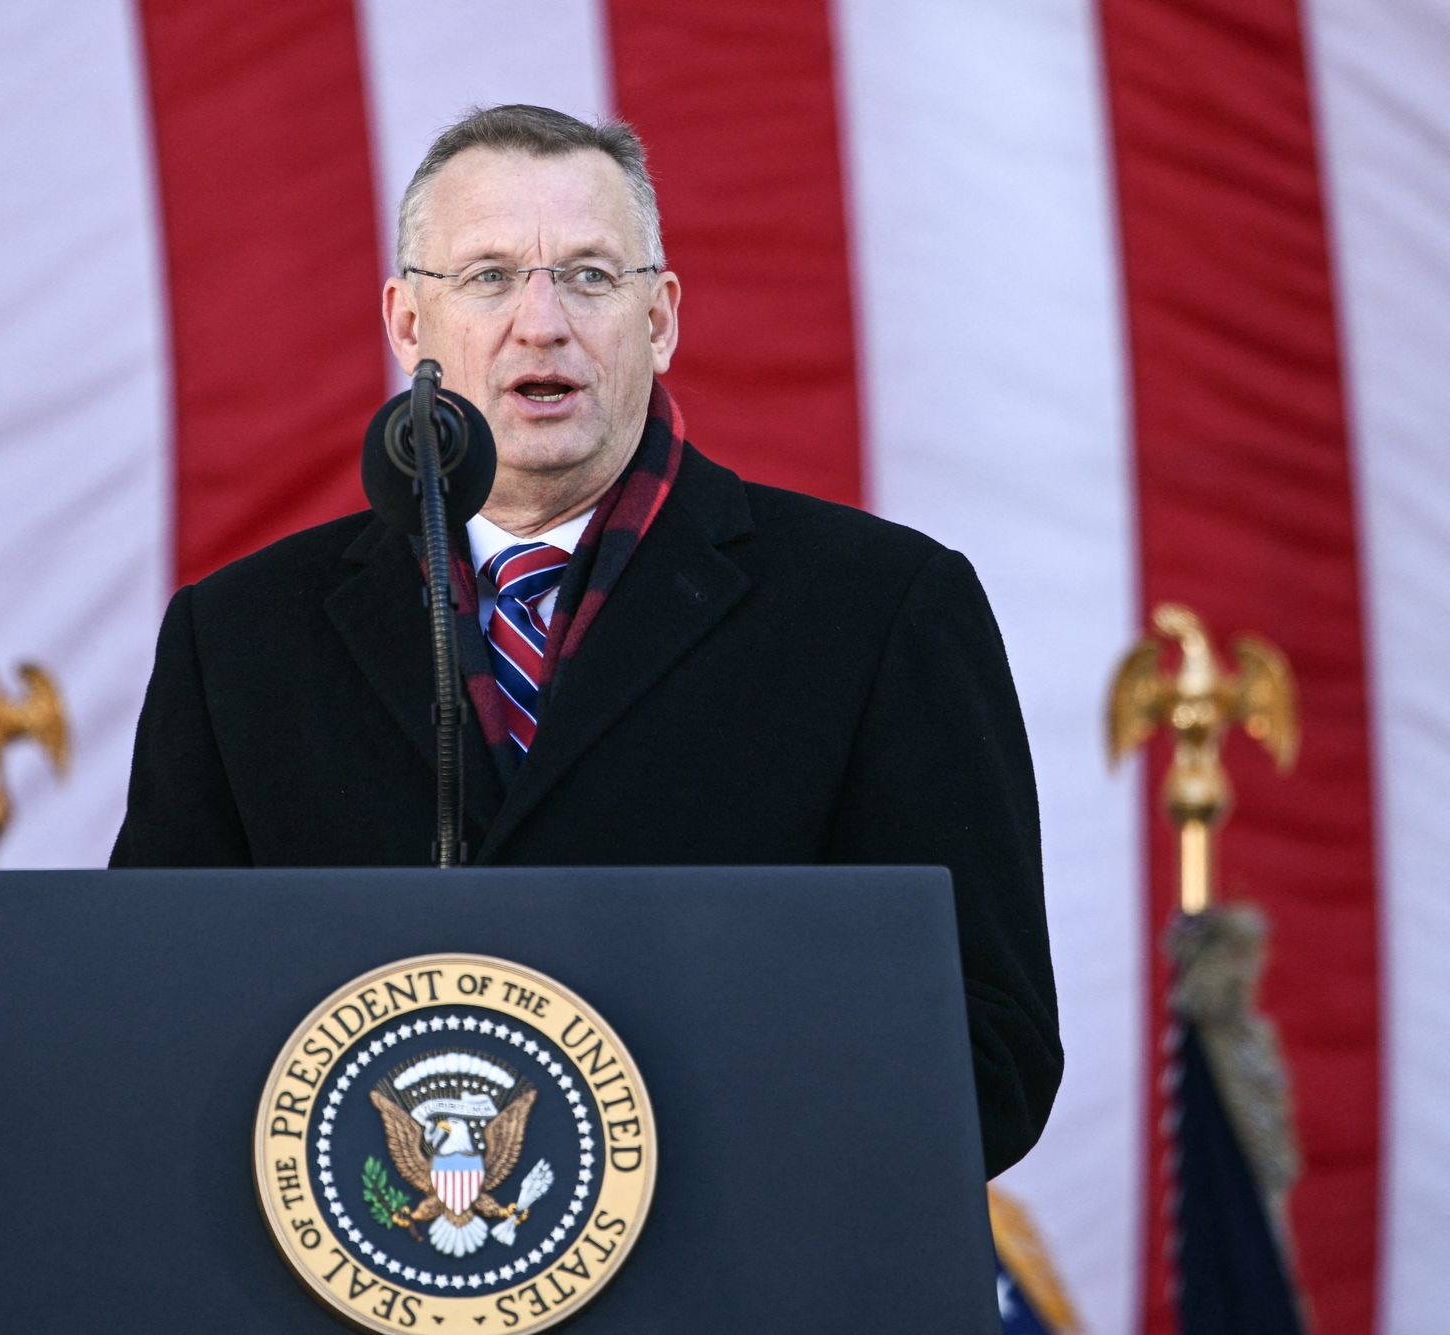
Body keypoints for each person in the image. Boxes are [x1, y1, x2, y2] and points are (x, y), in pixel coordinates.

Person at [111, 104, 1060, 1177]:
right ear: (407, 325)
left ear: (657, 320)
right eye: (485, 277)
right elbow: (157, 1025)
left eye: (590, 276)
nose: (541, 321)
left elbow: (992, 1050)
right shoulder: (238, 638)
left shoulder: (883, 609)